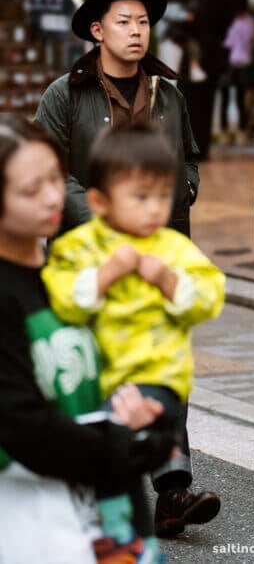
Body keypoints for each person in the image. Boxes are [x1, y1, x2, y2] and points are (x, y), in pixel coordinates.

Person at [34, 0, 219, 534]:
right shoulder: (66, 94)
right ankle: (94, 487)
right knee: (96, 374)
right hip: (90, 260)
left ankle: (173, 490)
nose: (137, 32)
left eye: (143, 22)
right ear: (97, 30)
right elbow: (49, 170)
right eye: (124, 22)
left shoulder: (169, 93)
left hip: (162, 255)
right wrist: (105, 218)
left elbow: (189, 159)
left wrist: (180, 191)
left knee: (162, 364)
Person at [0, 114, 175, 564]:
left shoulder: (74, 275)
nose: (53, 197)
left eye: (56, 179)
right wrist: (125, 451)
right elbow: (21, 423)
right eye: (30, 189)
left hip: (109, 509)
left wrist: (154, 419)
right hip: (27, 519)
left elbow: (135, 362)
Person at [43, 122, 226, 540]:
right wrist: (104, 276)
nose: (153, 209)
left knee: (129, 436)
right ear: (100, 202)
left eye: (162, 196)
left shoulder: (172, 248)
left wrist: (170, 283)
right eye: (139, 197)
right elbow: (58, 295)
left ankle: (151, 464)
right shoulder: (80, 246)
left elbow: (210, 294)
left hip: (156, 375)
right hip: (96, 376)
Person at [177, 0, 229, 160]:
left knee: (191, 106)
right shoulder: (223, 7)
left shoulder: (195, 7)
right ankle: (204, 147)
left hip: (194, 61)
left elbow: (182, 33)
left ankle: (192, 147)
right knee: (207, 105)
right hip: (213, 62)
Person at [220, 0, 254, 146]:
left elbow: (226, 43)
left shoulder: (228, 20)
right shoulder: (250, 21)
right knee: (242, 98)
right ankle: (242, 131)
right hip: (245, 62)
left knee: (225, 97)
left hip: (229, 62)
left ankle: (224, 131)